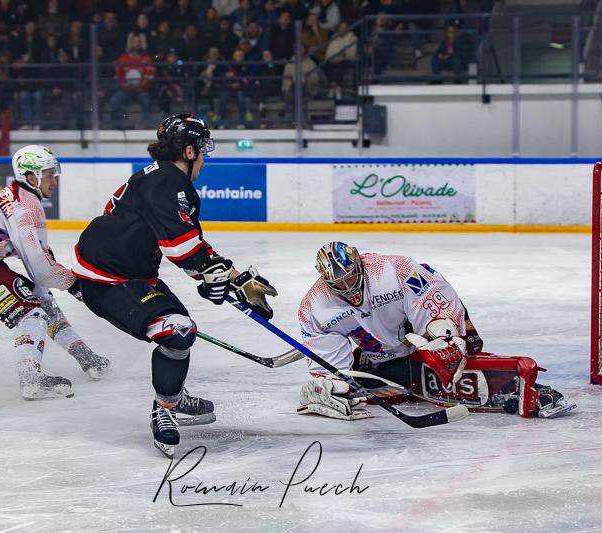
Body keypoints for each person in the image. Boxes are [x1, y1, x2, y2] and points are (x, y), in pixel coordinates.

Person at [71, 114, 277, 457]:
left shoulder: (158, 178)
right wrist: (211, 276)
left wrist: (237, 278)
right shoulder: (169, 182)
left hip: (129, 275)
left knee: (180, 334)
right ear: (190, 150)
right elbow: (181, 248)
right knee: (176, 332)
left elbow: (189, 242)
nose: (205, 159)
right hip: (110, 280)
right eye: (203, 150)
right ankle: (164, 409)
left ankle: (173, 397)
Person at [297, 241, 575, 421]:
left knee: (450, 364)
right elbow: (329, 363)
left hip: (424, 336)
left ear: (358, 264)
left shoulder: (395, 269)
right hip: (381, 355)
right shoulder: (314, 306)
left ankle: (526, 386)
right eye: (338, 283)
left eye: (349, 278)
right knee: (384, 385)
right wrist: (333, 384)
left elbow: (434, 298)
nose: (347, 288)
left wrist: (443, 337)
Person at [0, 146, 111, 400]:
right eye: (49, 174)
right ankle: (31, 379)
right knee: (32, 314)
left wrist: (58, 285)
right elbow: (40, 268)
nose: (55, 180)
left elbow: (38, 262)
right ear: (31, 177)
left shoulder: (20, 196)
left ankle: (86, 357)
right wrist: (76, 285)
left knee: (43, 302)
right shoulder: (26, 209)